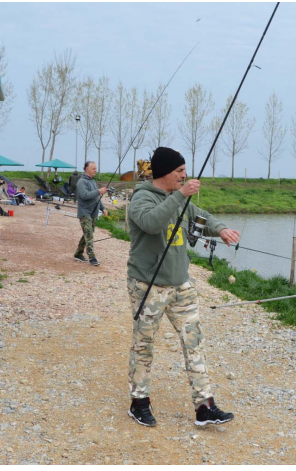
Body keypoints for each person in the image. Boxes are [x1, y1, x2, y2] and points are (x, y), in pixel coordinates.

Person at [125, 147, 241, 428]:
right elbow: (152, 223)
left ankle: (205, 406)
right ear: (164, 172)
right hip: (147, 285)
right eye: (179, 171)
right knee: (144, 345)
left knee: (195, 342)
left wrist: (221, 229)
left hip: (181, 286)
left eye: (184, 171)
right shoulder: (141, 198)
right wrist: (180, 194)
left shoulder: (181, 200)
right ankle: (139, 402)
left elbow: (203, 216)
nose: (184, 175)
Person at [75, 161, 108, 266]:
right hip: (84, 213)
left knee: (88, 233)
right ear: (87, 169)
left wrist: (103, 208)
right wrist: (99, 191)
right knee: (89, 235)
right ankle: (92, 257)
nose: (95, 170)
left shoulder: (93, 182)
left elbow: (97, 197)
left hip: (93, 213)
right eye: (93, 169)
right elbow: (84, 195)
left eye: (96, 168)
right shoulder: (81, 182)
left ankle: (78, 254)